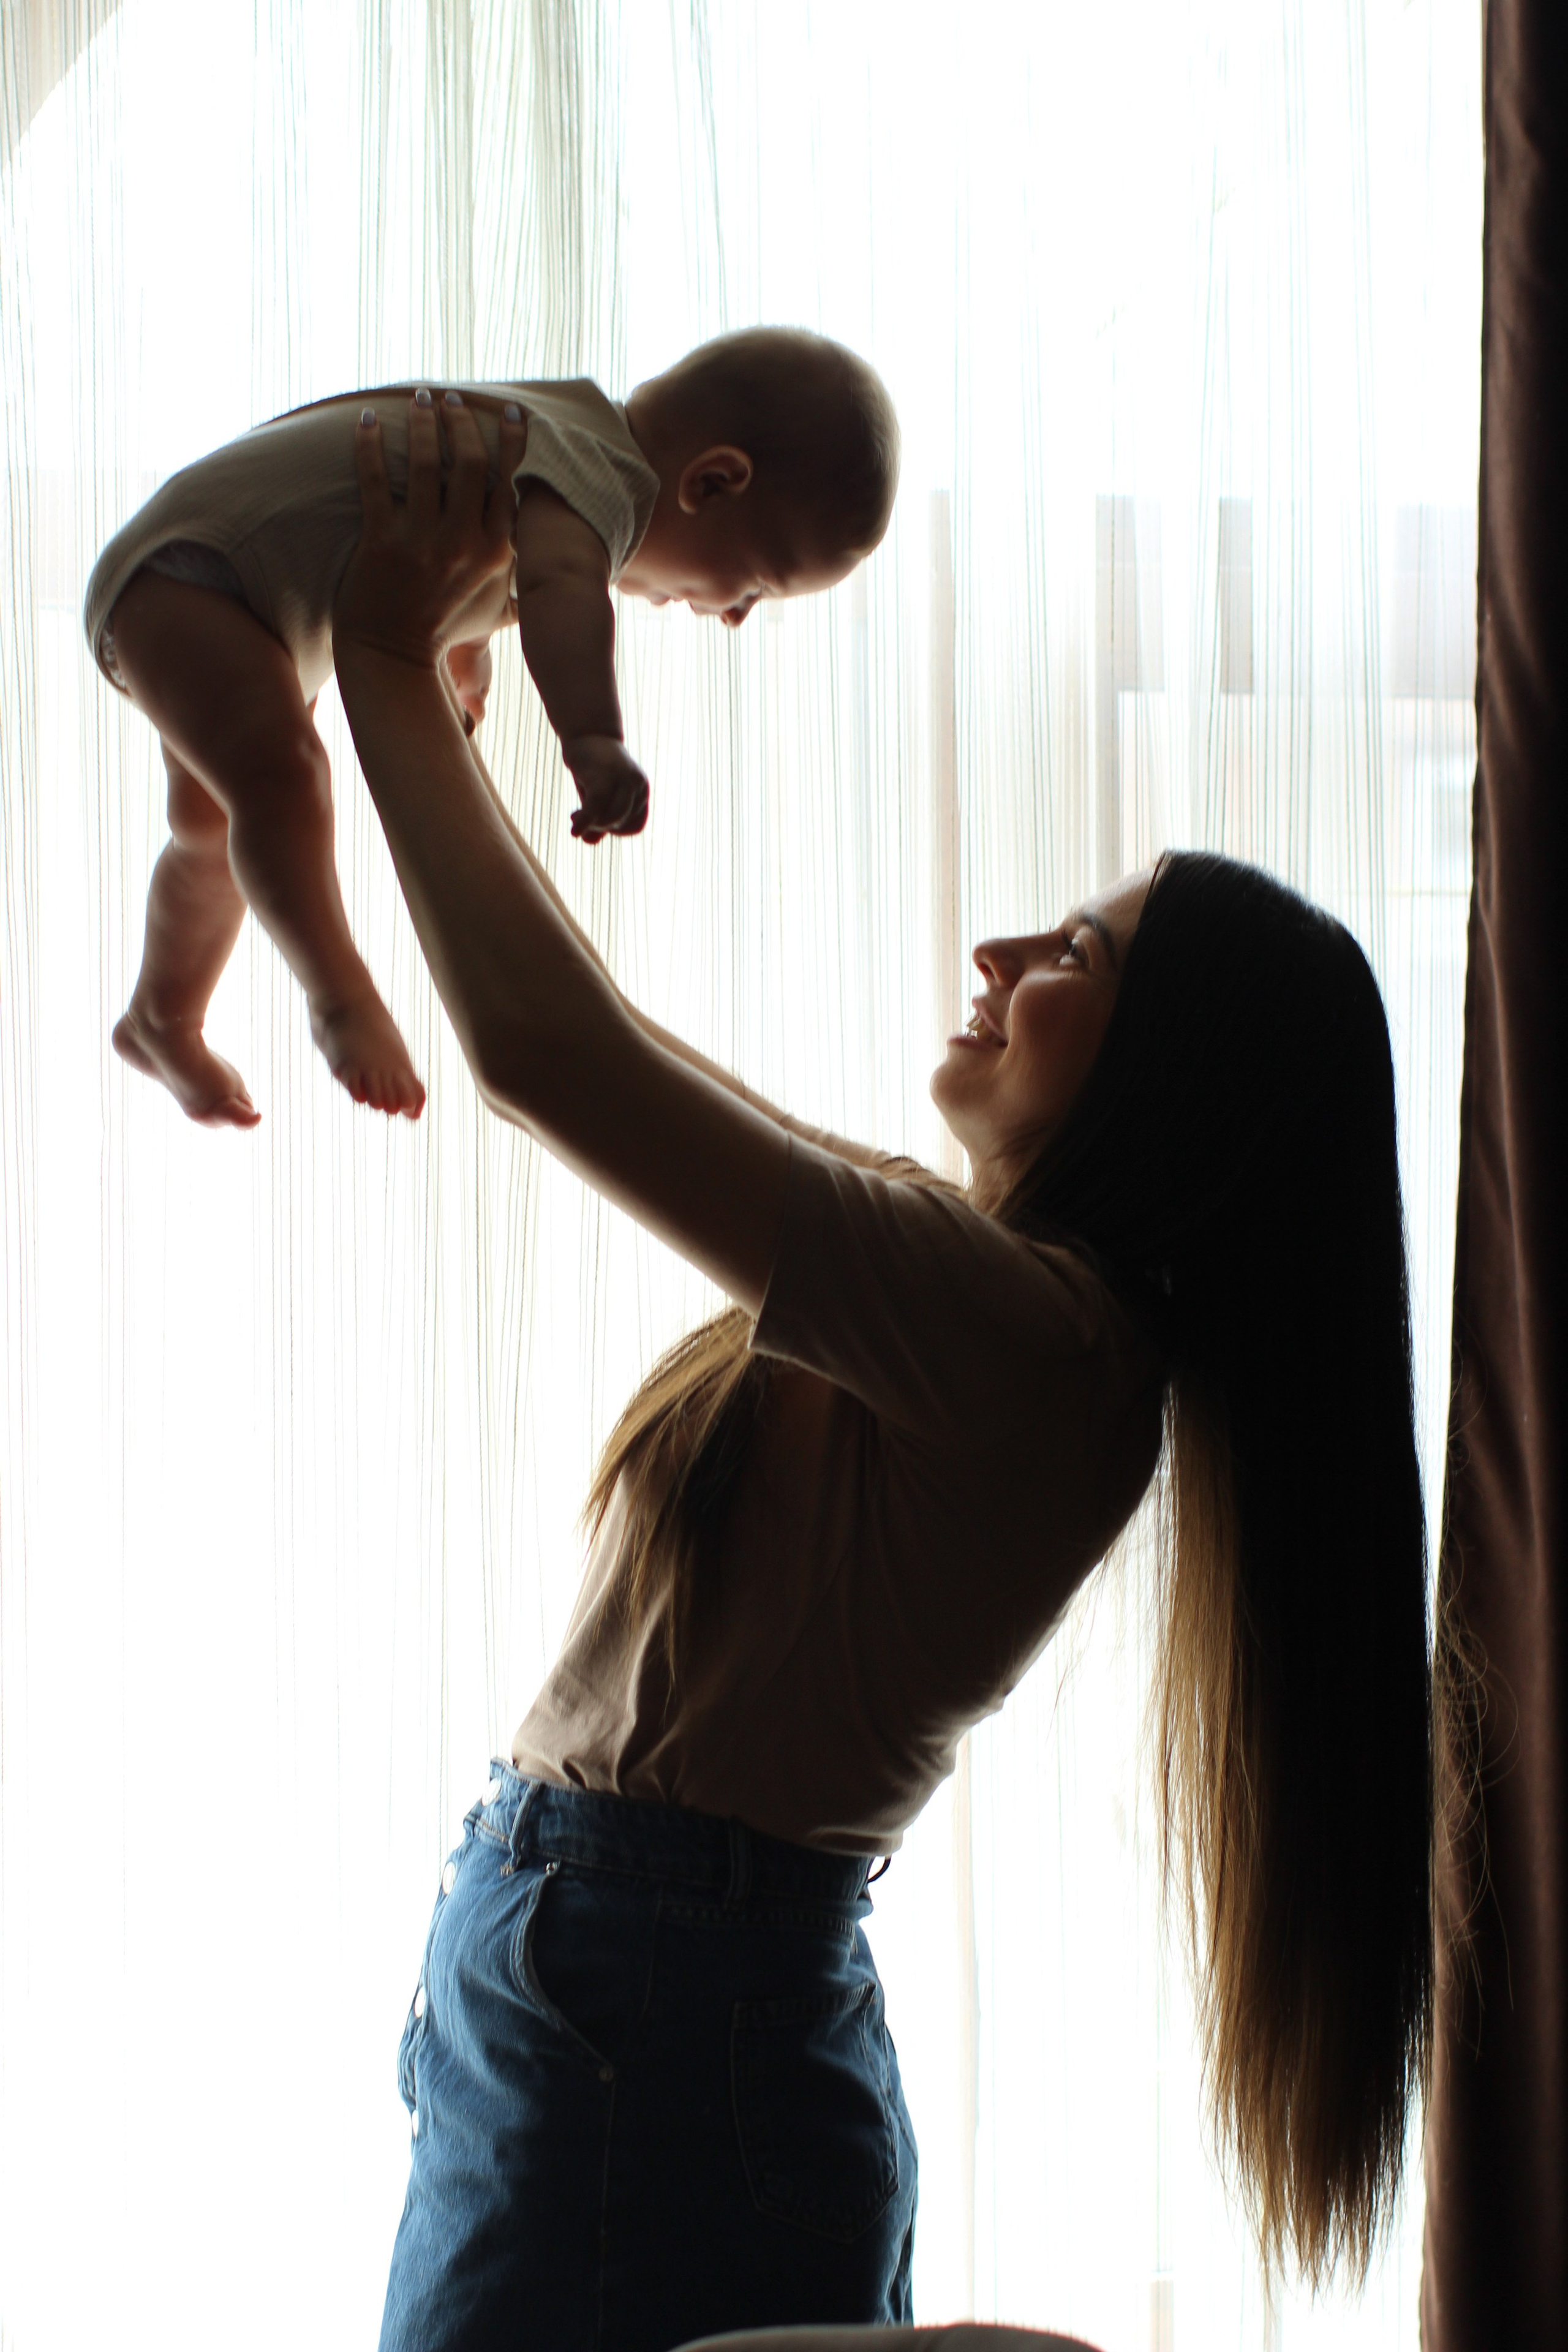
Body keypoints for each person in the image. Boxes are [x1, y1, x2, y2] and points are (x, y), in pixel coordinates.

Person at [332, 399, 1433, 2352]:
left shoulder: (1032, 1338)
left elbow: (551, 1057)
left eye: (1087, 948)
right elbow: (607, 1047)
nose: (1009, 944)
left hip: (650, 2003)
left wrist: (373, 660)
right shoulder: (989, 1301)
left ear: (1180, 1082)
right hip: (610, 1982)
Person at [82, 328, 897, 1125]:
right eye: (754, 584)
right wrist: (592, 739)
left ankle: (163, 1017)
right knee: (286, 783)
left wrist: (464, 650)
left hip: (220, 592)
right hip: (200, 578)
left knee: (211, 826)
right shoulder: (604, 480)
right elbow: (563, 593)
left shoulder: (564, 440)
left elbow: (465, 536)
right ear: (713, 483)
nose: (735, 618)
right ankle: (340, 995)